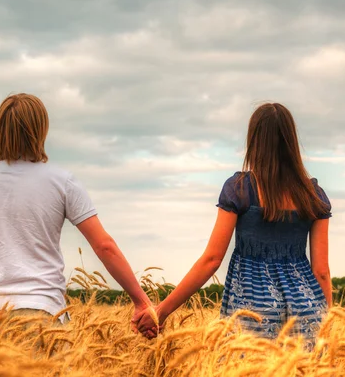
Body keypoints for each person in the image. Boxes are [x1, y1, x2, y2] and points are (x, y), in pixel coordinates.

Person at [134, 102, 332, 343]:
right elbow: (321, 272)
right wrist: (326, 325)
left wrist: (161, 311)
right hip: (307, 308)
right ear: (291, 141)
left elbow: (212, 260)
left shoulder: (240, 189)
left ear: (254, 140)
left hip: (253, 308)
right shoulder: (313, 195)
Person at [0, 93, 152, 322]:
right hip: (42, 312)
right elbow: (104, 246)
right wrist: (142, 302)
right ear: (40, 130)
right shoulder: (62, 181)